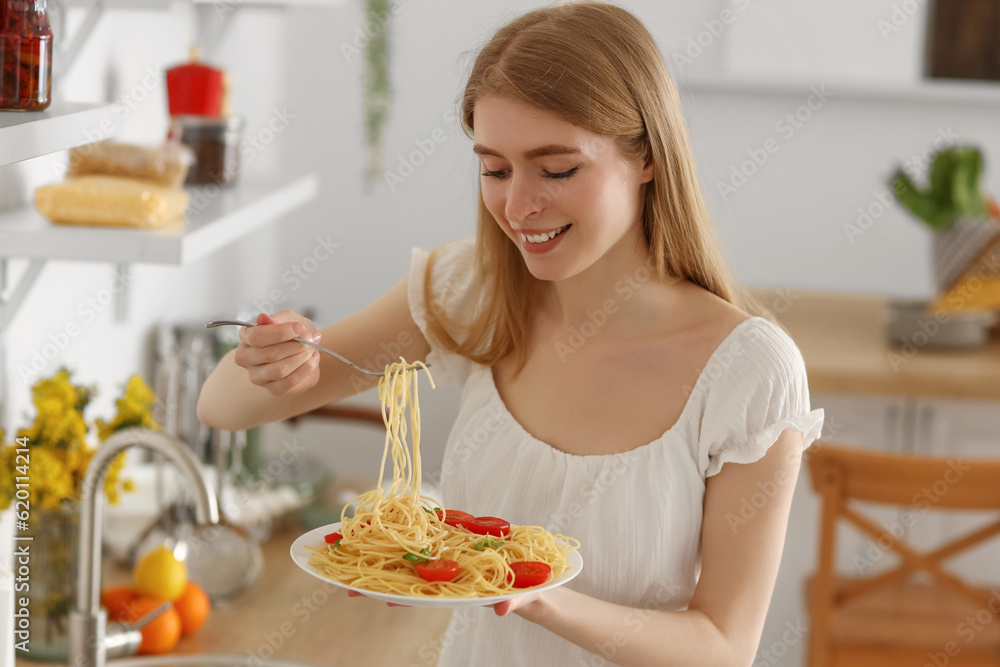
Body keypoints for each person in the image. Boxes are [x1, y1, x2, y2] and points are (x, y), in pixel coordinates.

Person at [197, 2, 825, 665]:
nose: (518, 206)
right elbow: (223, 407)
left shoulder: (748, 371)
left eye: (556, 170)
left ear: (646, 157)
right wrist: (270, 357)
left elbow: (722, 646)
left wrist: (530, 590)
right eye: (495, 169)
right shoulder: (469, 293)